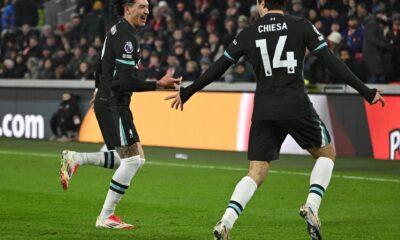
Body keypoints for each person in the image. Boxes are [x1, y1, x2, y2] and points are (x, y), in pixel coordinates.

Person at [165, 0, 385, 239]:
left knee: (256, 172)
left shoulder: (248, 32)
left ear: (262, 3)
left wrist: (188, 91)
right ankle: (311, 205)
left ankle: (226, 222)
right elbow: (330, 61)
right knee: (327, 154)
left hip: (264, 109)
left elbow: (219, 66)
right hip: (296, 105)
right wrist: (366, 91)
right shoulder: (301, 25)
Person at [59, 0, 181, 229]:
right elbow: (126, 81)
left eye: (148, 6)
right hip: (115, 105)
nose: (147, 11)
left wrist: (97, 89)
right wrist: (159, 84)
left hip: (109, 101)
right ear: (128, 8)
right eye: (142, 6)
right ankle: (106, 216)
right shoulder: (127, 38)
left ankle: (76, 159)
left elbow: (100, 63)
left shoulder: (116, 30)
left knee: (133, 158)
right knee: (133, 161)